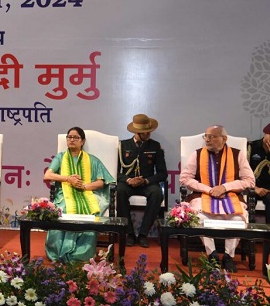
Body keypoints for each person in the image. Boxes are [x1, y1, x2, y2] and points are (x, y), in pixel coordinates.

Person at [179, 125, 255, 272]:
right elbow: (184, 178)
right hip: (203, 195)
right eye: (206, 136)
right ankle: (212, 254)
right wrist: (208, 189)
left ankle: (228, 256)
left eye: (212, 136)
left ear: (224, 138)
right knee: (199, 217)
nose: (207, 140)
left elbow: (250, 181)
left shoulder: (237, 154)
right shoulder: (197, 154)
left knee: (238, 219)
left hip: (230, 196)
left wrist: (225, 187)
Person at [43, 127, 115, 263]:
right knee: (63, 209)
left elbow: (101, 182)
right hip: (65, 194)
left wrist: (84, 186)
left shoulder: (92, 160)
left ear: (82, 141)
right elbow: (48, 175)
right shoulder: (60, 157)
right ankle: (57, 252)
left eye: (75, 137)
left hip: (87, 193)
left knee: (90, 210)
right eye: (69, 137)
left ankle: (80, 255)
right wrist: (68, 179)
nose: (71, 140)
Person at [117, 114, 167, 248]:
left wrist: (145, 181)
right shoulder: (123, 145)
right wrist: (128, 179)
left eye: (149, 131)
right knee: (119, 191)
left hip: (146, 183)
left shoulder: (155, 146)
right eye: (145, 132)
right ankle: (129, 233)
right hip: (128, 183)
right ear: (136, 132)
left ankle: (143, 234)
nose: (148, 133)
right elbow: (114, 171)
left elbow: (163, 173)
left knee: (157, 193)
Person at [248, 123, 270, 223]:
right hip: (251, 186)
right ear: (265, 133)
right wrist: (255, 188)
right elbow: (242, 172)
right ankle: (249, 230)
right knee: (250, 199)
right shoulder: (251, 147)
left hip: (268, 189)